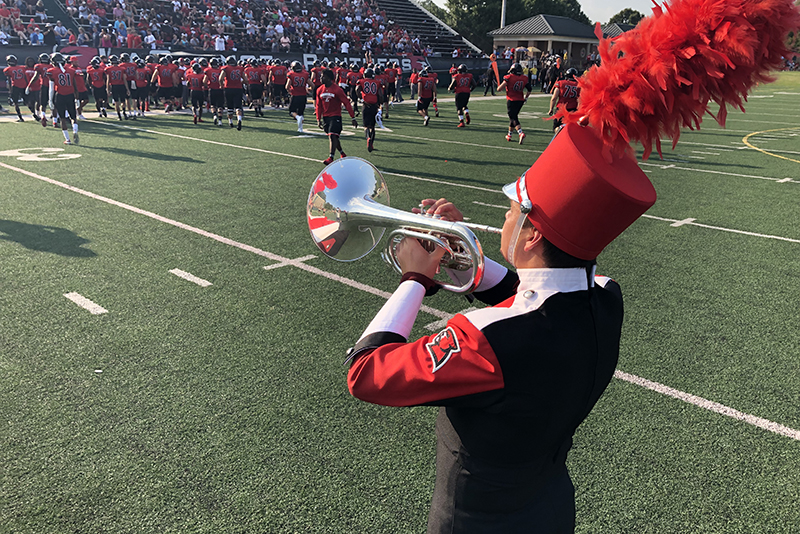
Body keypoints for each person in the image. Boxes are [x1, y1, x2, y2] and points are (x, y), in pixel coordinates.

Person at [342, 120, 657, 533]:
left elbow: (365, 372)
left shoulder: (486, 337)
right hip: (549, 510)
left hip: (475, 522)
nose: (505, 218)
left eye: (511, 210)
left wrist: (415, 278)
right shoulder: (605, 296)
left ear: (530, 236)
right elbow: (532, 294)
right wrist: (455, 250)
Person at [315, 68, 357, 165]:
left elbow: (346, 102)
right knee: (334, 137)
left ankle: (331, 157)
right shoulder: (319, 90)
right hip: (326, 117)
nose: (321, 78)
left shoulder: (337, 89)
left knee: (332, 135)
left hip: (335, 116)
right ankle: (342, 153)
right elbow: (318, 105)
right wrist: (318, 118)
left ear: (329, 78)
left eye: (323, 76)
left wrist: (352, 117)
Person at [46, 53, 81, 144]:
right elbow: (75, 85)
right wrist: (77, 98)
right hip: (70, 95)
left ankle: (68, 139)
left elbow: (51, 88)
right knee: (73, 117)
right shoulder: (71, 70)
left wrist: (50, 100)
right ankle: (75, 131)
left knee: (62, 119)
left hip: (60, 95)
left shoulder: (51, 71)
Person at [497, 63, 531, 144]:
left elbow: (499, 89)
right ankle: (509, 135)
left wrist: (499, 86)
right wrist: (526, 98)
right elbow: (529, 89)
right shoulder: (524, 78)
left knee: (513, 117)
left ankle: (520, 133)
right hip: (520, 100)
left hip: (511, 100)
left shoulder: (509, 77)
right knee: (513, 117)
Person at [356, 67, 380, 152]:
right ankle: (371, 143)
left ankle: (368, 138)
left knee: (365, 126)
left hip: (366, 105)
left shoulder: (361, 81)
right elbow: (380, 94)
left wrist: (361, 100)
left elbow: (357, 90)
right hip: (374, 105)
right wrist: (379, 105)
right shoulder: (377, 82)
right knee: (372, 126)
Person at [219, 55, 245, 130]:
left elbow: (220, 79)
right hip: (238, 89)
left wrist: (221, 85)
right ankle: (239, 119)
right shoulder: (240, 69)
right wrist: (240, 82)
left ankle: (230, 122)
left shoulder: (226, 68)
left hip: (228, 88)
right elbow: (246, 79)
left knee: (230, 107)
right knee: (238, 107)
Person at [286, 60, 312, 133]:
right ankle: (300, 128)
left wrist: (289, 91)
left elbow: (287, 86)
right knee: (301, 112)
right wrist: (308, 89)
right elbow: (312, 85)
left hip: (295, 95)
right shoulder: (305, 74)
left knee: (292, 112)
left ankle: (297, 118)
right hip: (303, 95)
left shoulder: (291, 74)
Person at [447, 63, 476, 128]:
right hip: (467, 92)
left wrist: (449, 88)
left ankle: (462, 122)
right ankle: (466, 112)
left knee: (459, 108)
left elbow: (452, 85)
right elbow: (474, 84)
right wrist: (470, 90)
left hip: (459, 92)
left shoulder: (457, 76)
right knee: (464, 105)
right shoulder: (469, 76)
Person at [4, 54, 28, 121]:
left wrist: (10, 89)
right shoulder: (22, 67)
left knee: (16, 103)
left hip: (15, 86)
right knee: (27, 102)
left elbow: (9, 80)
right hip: (23, 85)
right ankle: (35, 114)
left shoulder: (8, 69)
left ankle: (20, 117)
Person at [105, 54, 129, 120]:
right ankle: (124, 112)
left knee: (116, 102)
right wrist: (127, 89)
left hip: (114, 86)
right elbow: (124, 79)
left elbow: (108, 80)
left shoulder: (108, 69)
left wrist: (108, 89)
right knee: (123, 101)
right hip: (121, 85)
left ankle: (119, 116)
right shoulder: (122, 69)